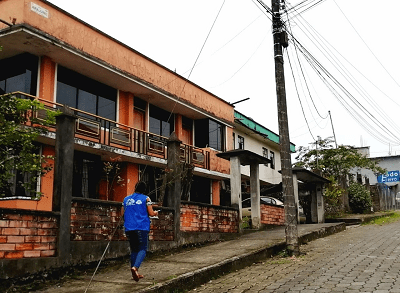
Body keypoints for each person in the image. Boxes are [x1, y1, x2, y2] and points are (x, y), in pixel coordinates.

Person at [123, 181, 158, 282]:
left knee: (134, 250)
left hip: (129, 228)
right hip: (141, 227)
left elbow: (122, 213)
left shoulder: (126, 199)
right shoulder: (146, 198)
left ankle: (135, 274)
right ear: (144, 189)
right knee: (142, 249)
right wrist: (156, 212)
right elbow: (151, 213)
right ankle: (135, 268)